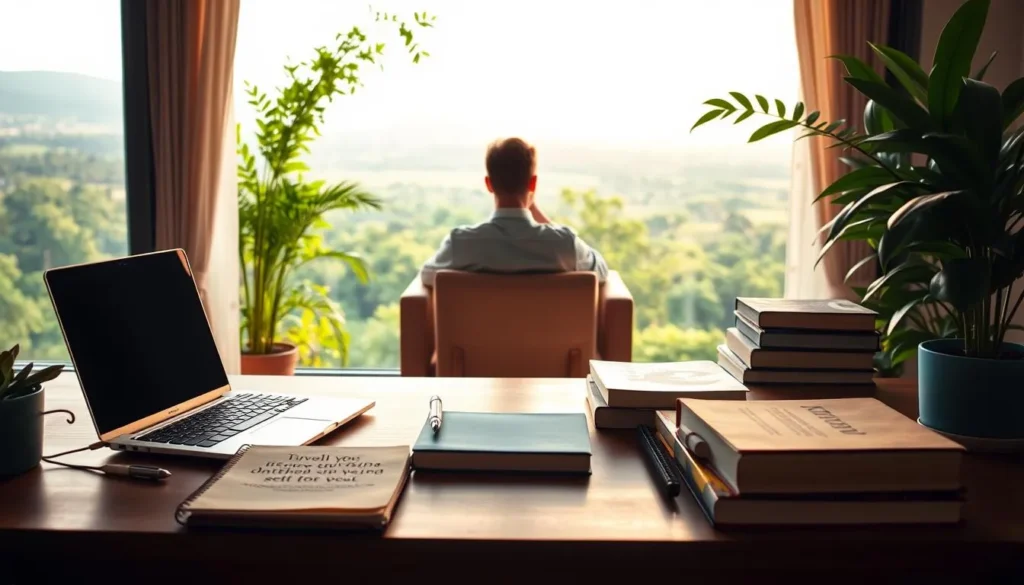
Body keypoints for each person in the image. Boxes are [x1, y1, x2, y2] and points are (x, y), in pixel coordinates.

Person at [420, 137, 609, 286]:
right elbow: (600, 270)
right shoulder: (564, 245)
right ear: (533, 183)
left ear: (489, 184)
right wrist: (536, 211)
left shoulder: (461, 244)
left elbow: (427, 276)